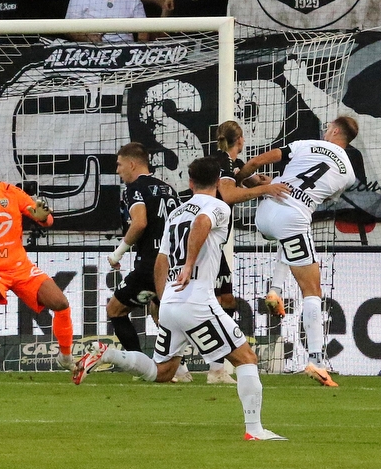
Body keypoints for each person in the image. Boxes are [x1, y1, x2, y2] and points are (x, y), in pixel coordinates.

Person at [74, 157, 287, 442]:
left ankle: (107, 353)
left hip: (173, 302)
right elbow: (202, 222)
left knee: (163, 371)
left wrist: (166, 297)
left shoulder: (176, 214)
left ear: (189, 183)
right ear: (218, 182)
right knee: (246, 358)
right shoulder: (218, 206)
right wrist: (188, 264)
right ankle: (255, 430)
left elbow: (160, 260)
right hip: (197, 301)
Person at [235, 116, 359, 388]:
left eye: (328, 128)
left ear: (335, 131)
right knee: (312, 290)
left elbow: (256, 163)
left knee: (289, 239)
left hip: (265, 212)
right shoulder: (348, 173)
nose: (326, 131)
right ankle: (316, 360)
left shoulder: (306, 144)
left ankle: (275, 289)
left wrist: (239, 179)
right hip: (292, 218)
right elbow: (318, 195)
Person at [190, 120, 290, 384]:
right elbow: (230, 194)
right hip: (206, 238)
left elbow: (248, 178)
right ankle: (210, 368)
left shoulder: (231, 163)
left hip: (214, 240)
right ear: (241, 139)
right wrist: (266, 189)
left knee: (227, 302)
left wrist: (267, 182)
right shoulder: (221, 161)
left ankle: (214, 368)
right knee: (210, 303)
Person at [0, 148, 75, 374]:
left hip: (20, 267)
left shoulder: (11, 193)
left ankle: (65, 356)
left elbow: (43, 217)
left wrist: (44, 217)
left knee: (61, 303)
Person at [102, 142, 179, 374]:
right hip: (173, 262)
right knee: (159, 313)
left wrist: (118, 253)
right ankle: (180, 369)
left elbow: (140, 222)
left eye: (119, 165)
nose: (118, 171)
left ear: (132, 164)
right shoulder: (169, 189)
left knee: (114, 310)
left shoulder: (134, 188)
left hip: (150, 265)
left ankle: (138, 367)